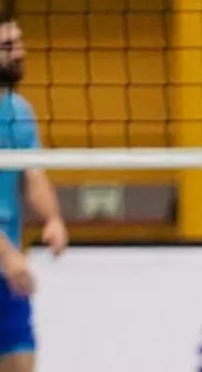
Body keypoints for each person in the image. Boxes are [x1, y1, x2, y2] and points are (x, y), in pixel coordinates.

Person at [0, 19, 68, 372]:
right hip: (5, 255)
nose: (21, 52)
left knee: (20, 360)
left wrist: (52, 218)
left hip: (7, 263)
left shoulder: (18, 110)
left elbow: (34, 173)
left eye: (20, 42)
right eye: (8, 46)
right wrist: (7, 255)